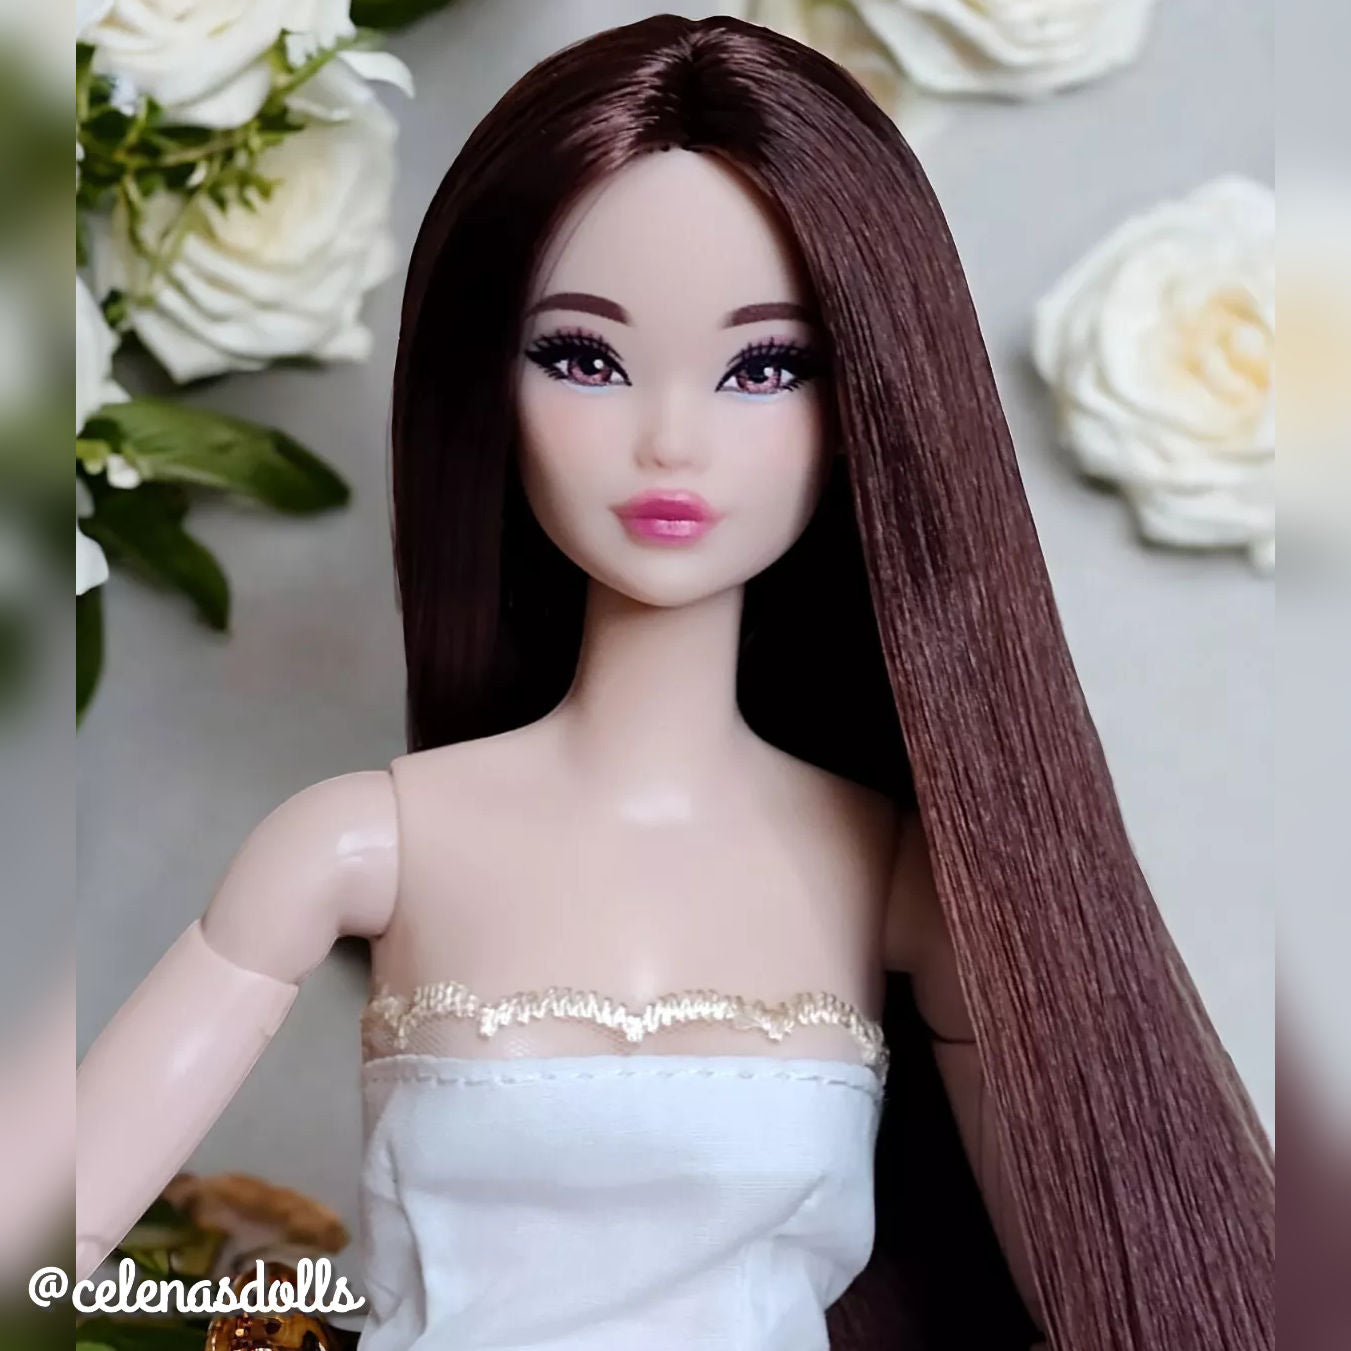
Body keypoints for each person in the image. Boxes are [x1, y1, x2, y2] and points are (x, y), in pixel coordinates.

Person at [77, 16, 1274, 1351]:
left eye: (767, 367)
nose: (671, 441)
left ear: (867, 405)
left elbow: (1105, 1285)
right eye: (582, 357)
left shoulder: (901, 880)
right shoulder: (364, 843)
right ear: (487, 380)